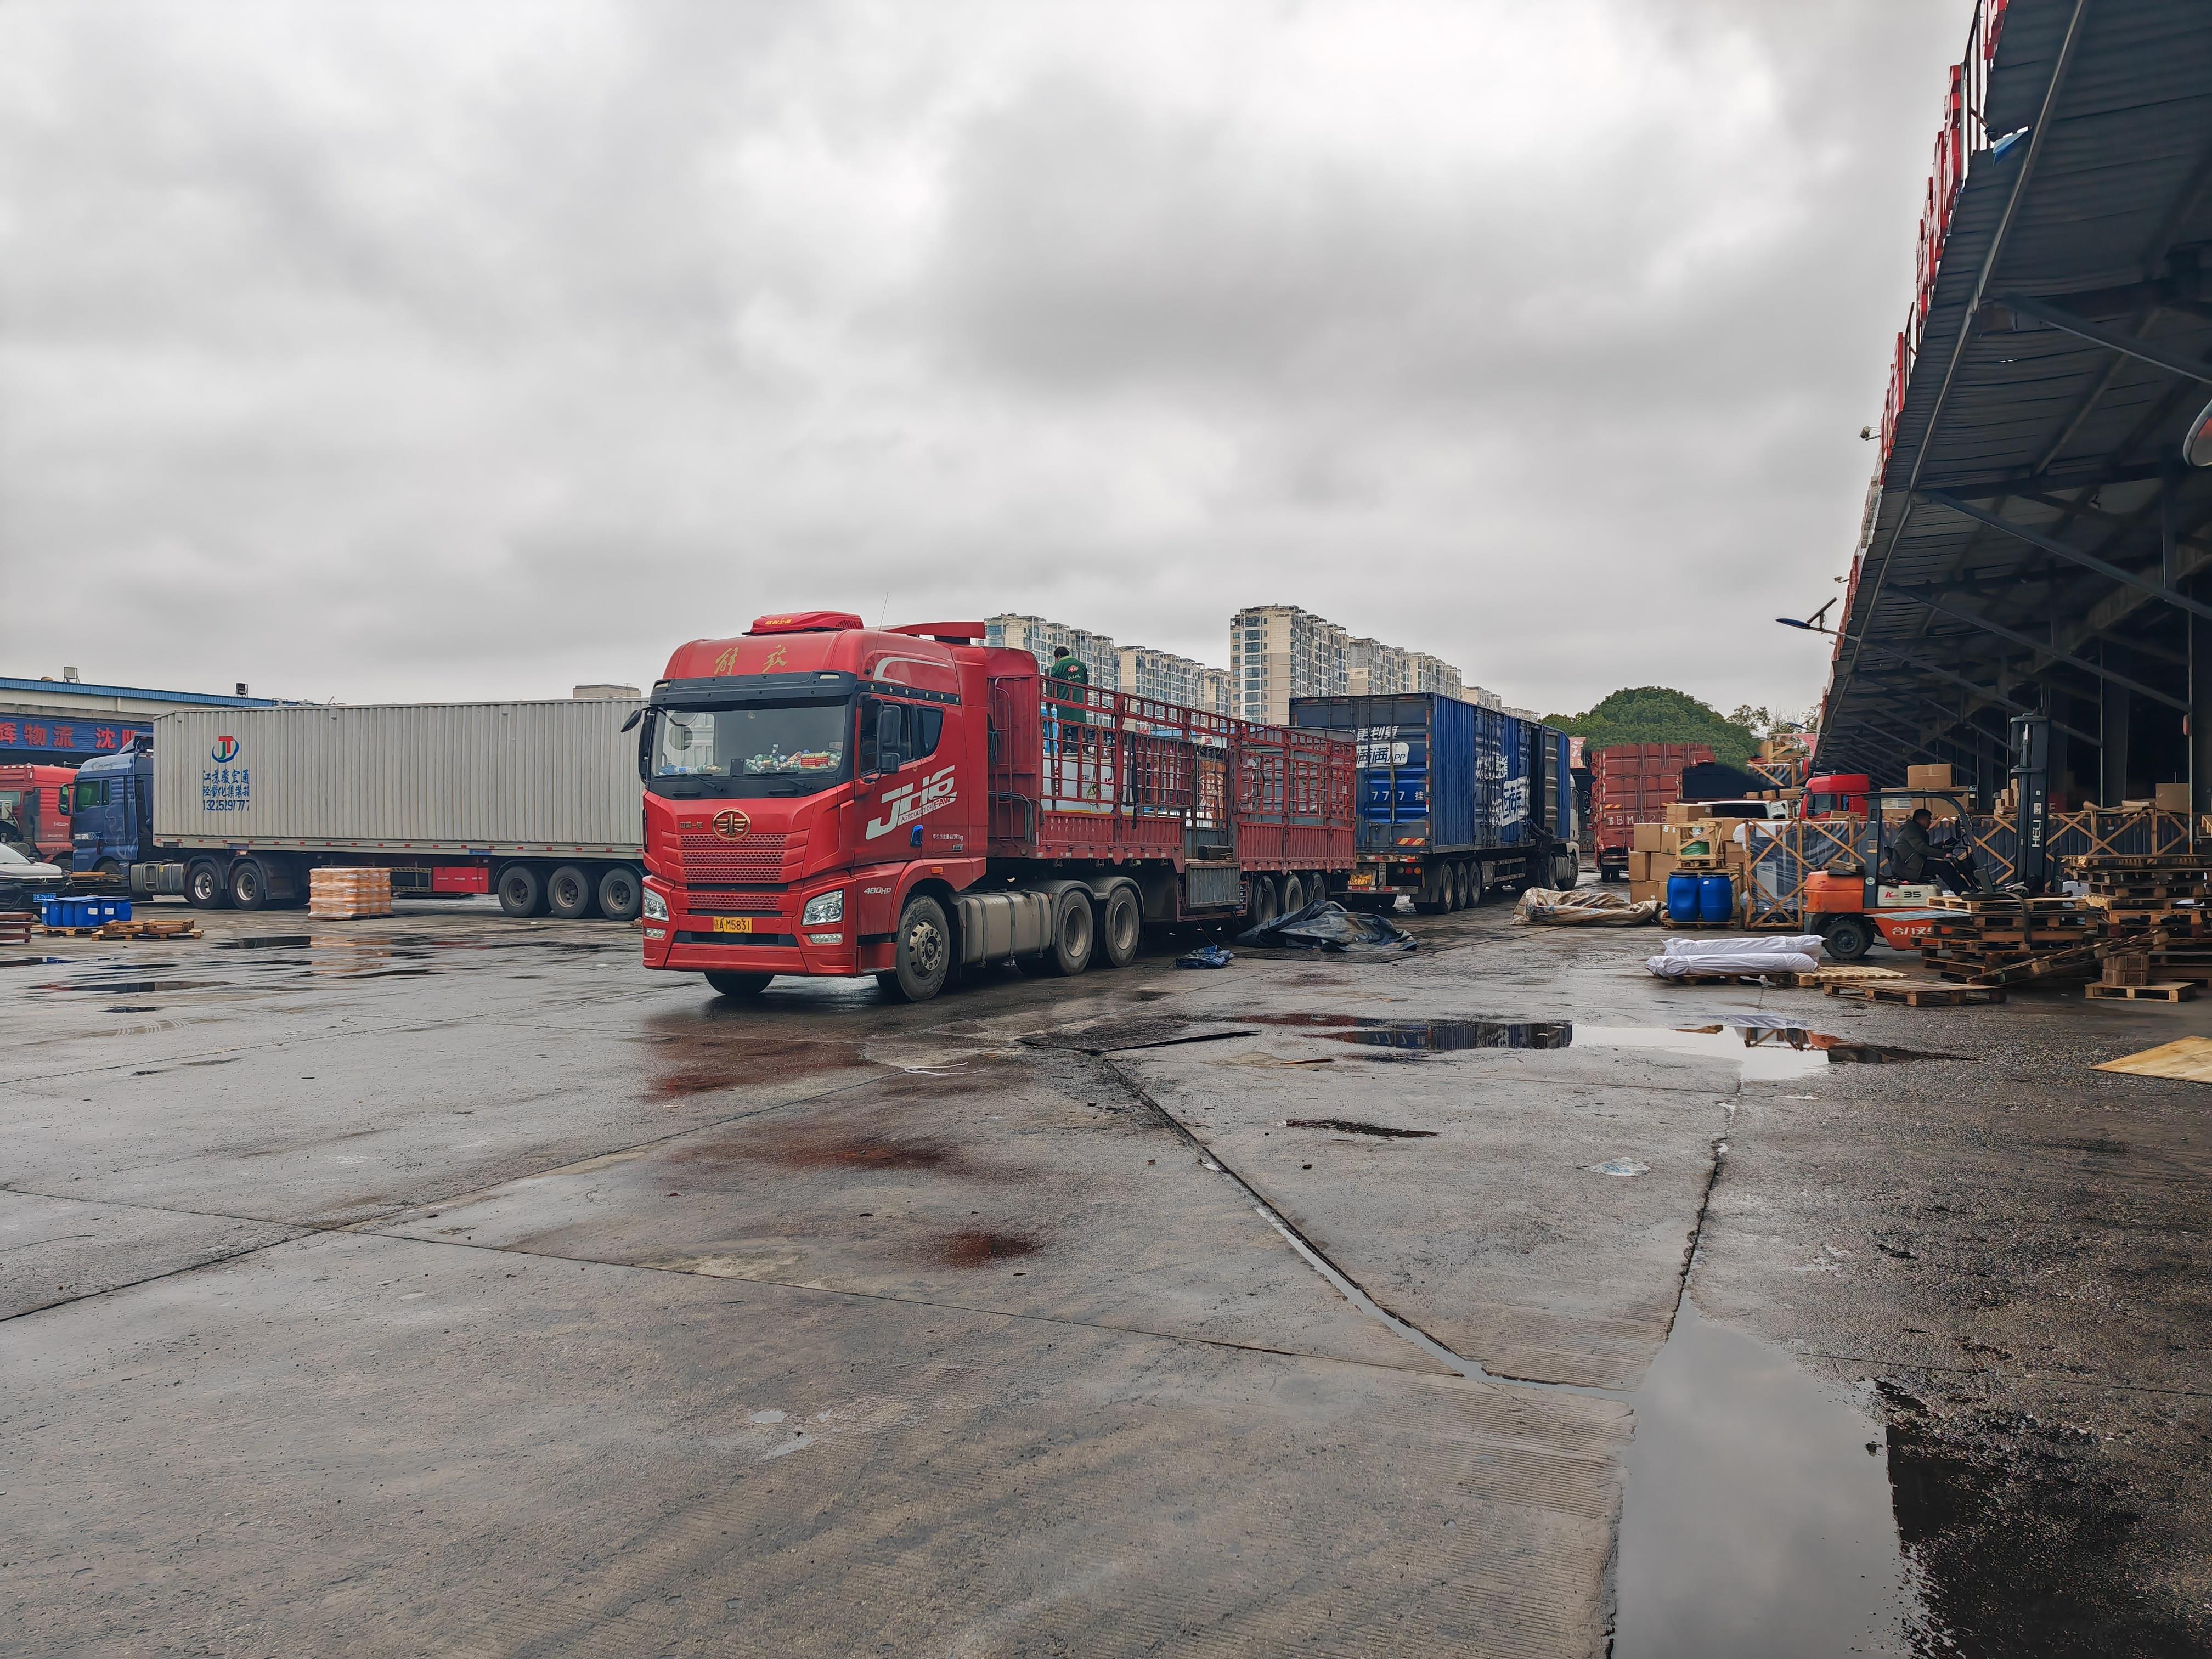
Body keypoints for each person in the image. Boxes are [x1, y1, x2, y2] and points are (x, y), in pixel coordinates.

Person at [1891, 807, 1982, 895]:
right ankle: (1962, 891)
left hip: (1912, 864)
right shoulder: (1911, 830)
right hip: (1909, 868)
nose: (1930, 823)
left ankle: (1964, 889)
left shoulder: (1914, 829)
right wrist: (1944, 855)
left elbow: (1924, 848)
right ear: (1921, 820)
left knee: (1944, 866)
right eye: (1928, 821)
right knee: (1944, 867)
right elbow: (1921, 848)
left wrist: (1943, 843)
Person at [1045, 645, 1089, 755]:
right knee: (1078, 726)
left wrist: (1050, 699)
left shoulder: (1058, 666)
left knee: (1063, 725)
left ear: (1058, 656)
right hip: (1080, 702)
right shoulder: (1081, 665)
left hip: (1064, 702)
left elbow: (1052, 685)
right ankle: (1076, 749)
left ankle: (1063, 748)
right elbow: (1085, 683)